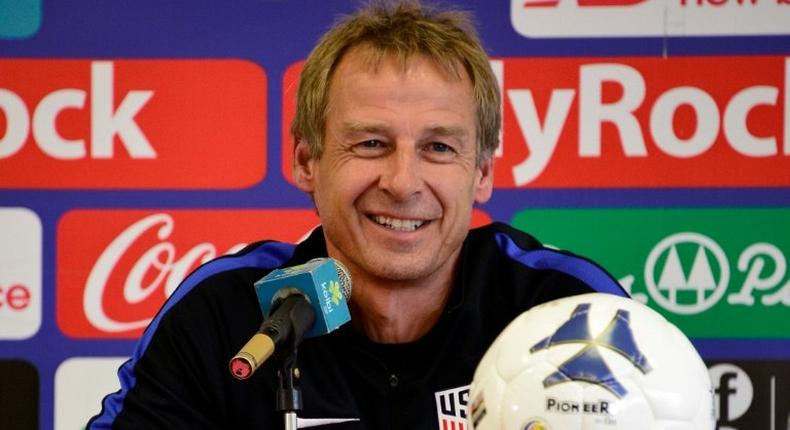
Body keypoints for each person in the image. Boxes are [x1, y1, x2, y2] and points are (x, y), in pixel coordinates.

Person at [89, 1, 627, 428]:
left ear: (482, 172)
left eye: (439, 148)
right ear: (306, 162)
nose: (402, 182)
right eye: (371, 143)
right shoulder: (220, 315)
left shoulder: (571, 310)